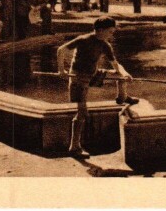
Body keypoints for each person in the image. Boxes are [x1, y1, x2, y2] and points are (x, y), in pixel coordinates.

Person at [57, 17, 138, 158]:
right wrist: (61, 71)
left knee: (120, 74)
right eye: (109, 32)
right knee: (82, 113)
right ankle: (74, 147)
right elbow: (61, 50)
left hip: (93, 74)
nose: (111, 35)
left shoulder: (105, 45)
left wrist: (125, 74)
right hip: (78, 78)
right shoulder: (83, 40)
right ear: (99, 30)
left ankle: (122, 97)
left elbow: (115, 64)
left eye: (113, 32)